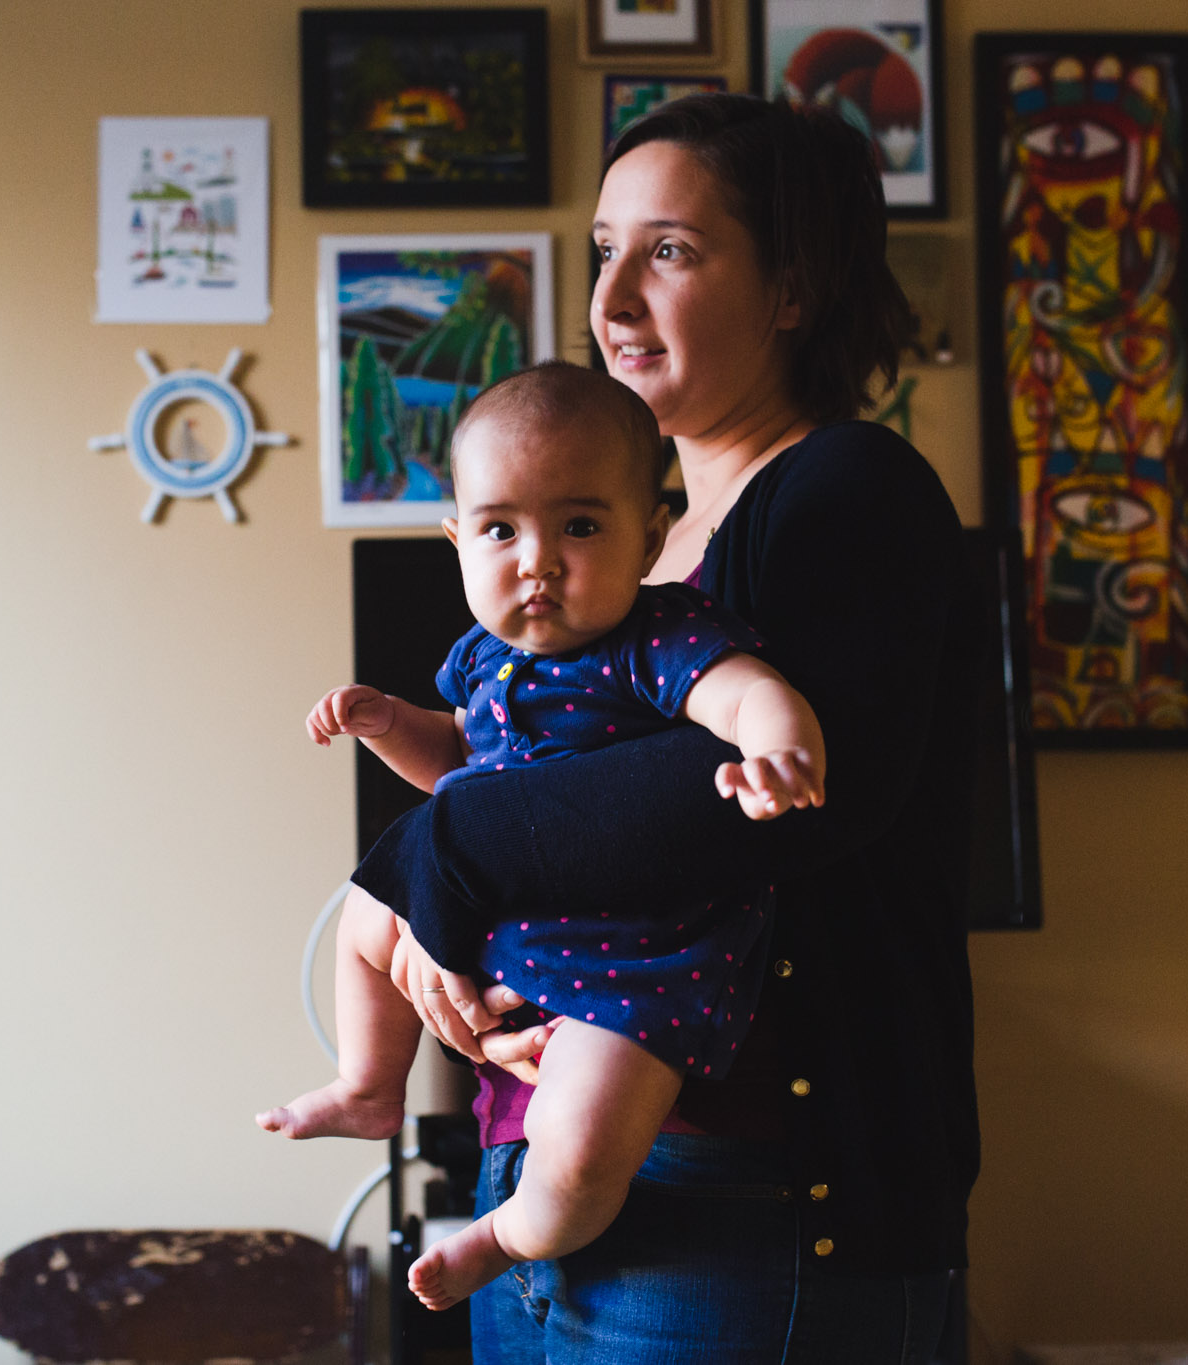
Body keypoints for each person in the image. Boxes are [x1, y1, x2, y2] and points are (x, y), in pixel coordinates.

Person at [346, 93, 979, 1363]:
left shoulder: (848, 489)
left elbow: (766, 793)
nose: (611, 299)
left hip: (747, 1210)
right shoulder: (640, 545)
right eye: (602, 251)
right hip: (537, 1168)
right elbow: (522, 779)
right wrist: (427, 930)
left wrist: (433, 863)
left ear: (790, 290)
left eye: (670, 252)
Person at [258, 362, 827, 1313]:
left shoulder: (659, 636)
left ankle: (510, 1230)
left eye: (580, 526)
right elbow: (456, 765)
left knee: (588, 1134)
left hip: (633, 963)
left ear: (651, 536)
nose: (537, 560)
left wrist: (780, 752)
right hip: (513, 937)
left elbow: (750, 694)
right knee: (368, 904)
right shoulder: (481, 657)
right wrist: (388, 721)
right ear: (457, 541)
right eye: (499, 529)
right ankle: (368, 1081)